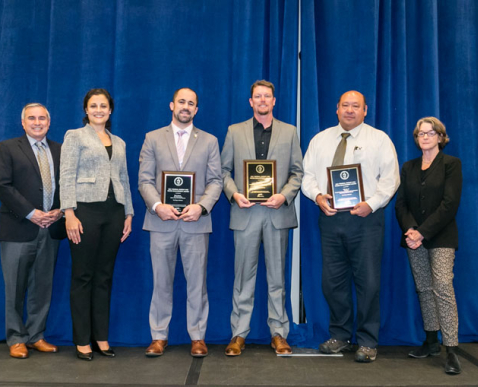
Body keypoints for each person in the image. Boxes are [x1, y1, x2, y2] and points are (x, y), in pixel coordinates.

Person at [302, 90, 399, 362]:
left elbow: (390, 179)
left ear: (365, 110)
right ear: (337, 108)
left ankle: (368, 341)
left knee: (368, 282)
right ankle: (340, 336)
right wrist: (318, 196)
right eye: (345, 105)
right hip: (330, 219)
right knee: (332, 283)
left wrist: (373, 203)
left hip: (366, 220)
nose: (350, 110)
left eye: (356, 106)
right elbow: (307, 176)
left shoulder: (379, 139)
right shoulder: (320, 140)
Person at [221, 80, 303, 356]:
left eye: (267, 96)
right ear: (251, 101)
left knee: (277, 278)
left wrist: (284, 195)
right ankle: (238, 333)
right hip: (245, 213)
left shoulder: (290, 132)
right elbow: (223, 172)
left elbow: (297, 172)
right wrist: (234, 195)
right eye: (258, 96)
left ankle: (279, 333)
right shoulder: (234, 131)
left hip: (277, 212)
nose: (263, 100)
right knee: (243, 277)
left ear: (274, 101)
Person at [139, 88, 222, 358]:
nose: (186, 107)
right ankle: (159, 336)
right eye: (182, 102)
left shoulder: (209, 141)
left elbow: (216, 181)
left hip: (195, 223)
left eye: (192, 103)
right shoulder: (153, 138)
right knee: (161, 281)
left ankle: (197, 337)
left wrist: (201, 206)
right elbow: (145, 180)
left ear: (196, 109)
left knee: (197, 283)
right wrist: (157, 206)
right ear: (172, 105)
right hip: (160, 221)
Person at [60, 88, 134, 361]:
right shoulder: (75, 137)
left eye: (104, 105)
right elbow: (66, 176)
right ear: (86, 110)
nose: (99, 109)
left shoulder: (120, 142)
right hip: (85, 212)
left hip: (114, 213)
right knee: (83, 276)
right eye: (94, 105)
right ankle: (82, 340)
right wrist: (69, 213)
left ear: (110, 110)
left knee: (104, 277)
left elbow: (124, 179)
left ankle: (101, 337)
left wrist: (129, 214)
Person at [0, 103, 66, 359]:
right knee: (15, 288)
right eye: (32, 118)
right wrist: (32, 213)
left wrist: (60, 211)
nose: (38, 122)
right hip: (18, 228)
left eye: (42, 118)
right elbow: (3, 187)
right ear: (23, 122)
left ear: (49, 121)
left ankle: (36, 336)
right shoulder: (8, 148)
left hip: (52, 228)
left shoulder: (60, 150)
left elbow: (68, 185)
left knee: (42, 287)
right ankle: (16, 338)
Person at [395, 117, 462, 375]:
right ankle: (431, 341)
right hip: (414, 237)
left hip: (441, 236)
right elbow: (401, 204)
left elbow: (450, 204)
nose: (425, 137)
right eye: (421, 133)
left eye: (430, 133)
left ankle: (452, 350)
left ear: (440, 137)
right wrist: (411, 231)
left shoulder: (451, 165)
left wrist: (422, 232)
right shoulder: (409, 167)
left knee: (442, 286)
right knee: (424, 288)